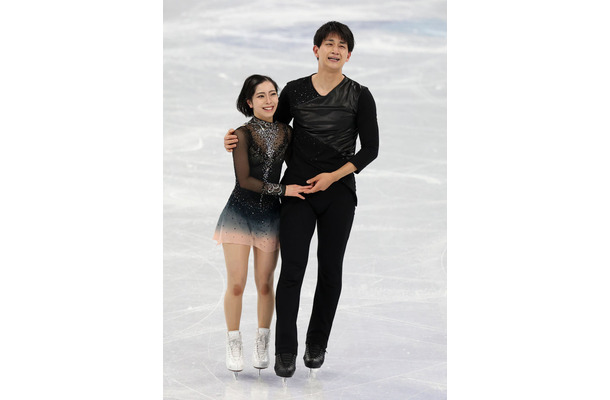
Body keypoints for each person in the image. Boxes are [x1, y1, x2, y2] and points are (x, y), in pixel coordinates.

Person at [224, 21, 379, 379]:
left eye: (342, 45)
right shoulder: (294, 90)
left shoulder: (360, 94)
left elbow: (370, 148)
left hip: (339, 192)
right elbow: (268, 131)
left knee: (330, 269)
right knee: (292, 270)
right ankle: (285, 350)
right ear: (316, 50)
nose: (335, 50)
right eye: (329, 43)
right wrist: (235, 140)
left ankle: (316, 344)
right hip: (297, 193)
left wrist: (334, 176)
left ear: (349, 55)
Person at [213, 74, 312, 377]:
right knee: (238, 283)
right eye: (261, 96)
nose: (269, 101)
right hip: (239, 215)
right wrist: (284, 191)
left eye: (273, 94)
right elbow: (245, 180)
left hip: (270, 217)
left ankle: (262, 340)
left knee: (266, 284)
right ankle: (233, 342)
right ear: (248, 101)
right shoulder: (241, 134)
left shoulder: (287, 132)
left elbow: (301, 162)